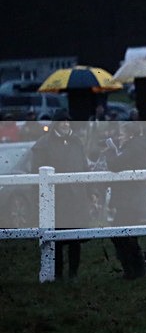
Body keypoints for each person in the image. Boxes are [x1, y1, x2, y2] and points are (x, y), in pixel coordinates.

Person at [31, 110, 90, 280]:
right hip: (56, 199)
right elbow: (36, 172)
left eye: (68, 121)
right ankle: (56, 275)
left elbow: (84, 167)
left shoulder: (76, 142)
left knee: (75, 238)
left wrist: (90, 191)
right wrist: (39, 197)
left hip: (76, 199)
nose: (66, 124)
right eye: (62, 121)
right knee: (55, 238)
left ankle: (73, 274)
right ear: (56, 123)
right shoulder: (43, 144)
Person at [103, 122, 146, 279]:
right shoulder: (140, 147)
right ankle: (135, 271)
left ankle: (134, 271)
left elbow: (114, 165)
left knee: (121, 235)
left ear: (130, 135)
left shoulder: (133, 148)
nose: (119, 138)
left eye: (121, 134)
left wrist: (110, 151)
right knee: (127, 235)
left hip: (130, 200)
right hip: (135, 199)